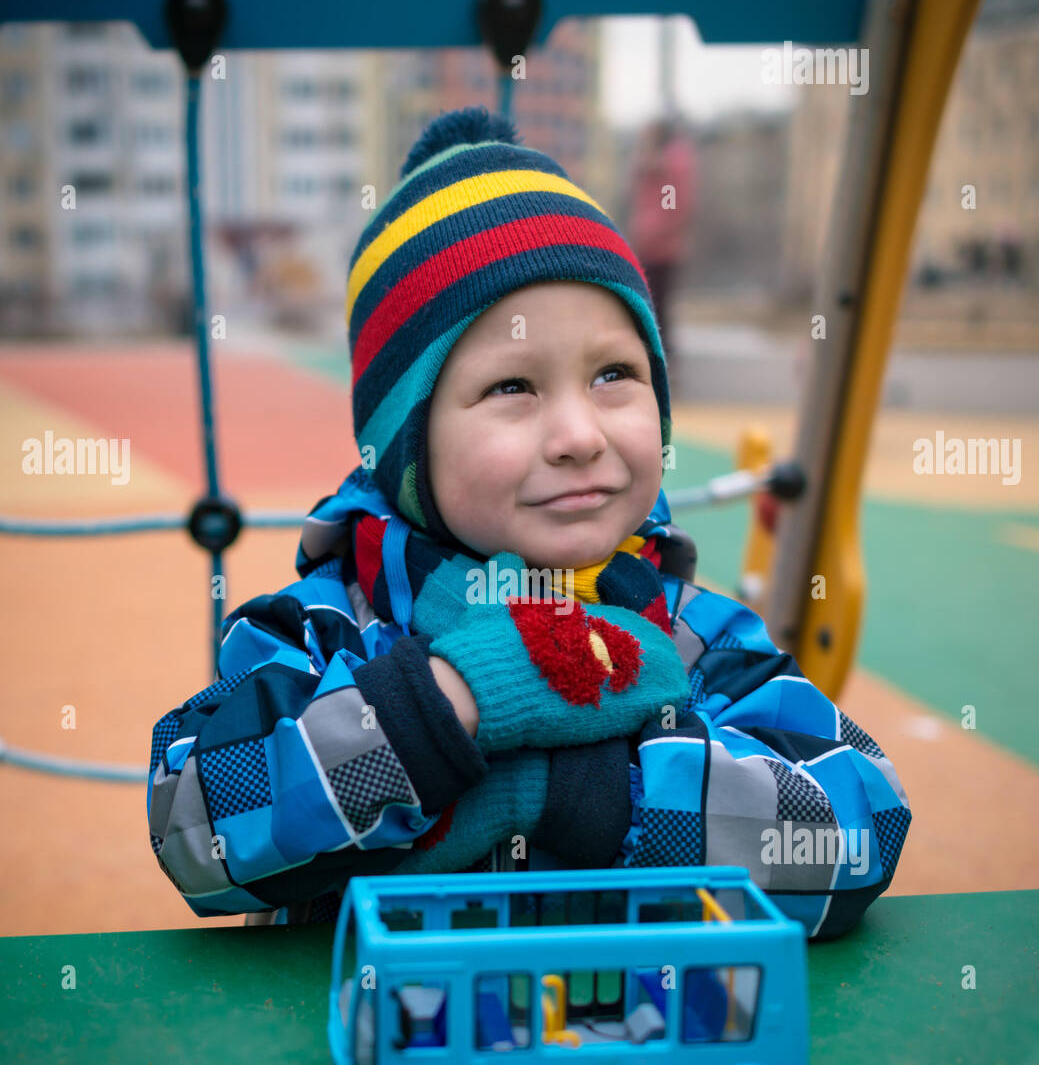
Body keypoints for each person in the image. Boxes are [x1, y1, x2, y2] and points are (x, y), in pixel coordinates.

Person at [146, 106, 910, 940]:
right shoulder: (327, 631)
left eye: (614, 374)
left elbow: (860, 824)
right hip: (387, 1055)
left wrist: (598, 794)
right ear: (405, 444)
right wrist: (443, 703)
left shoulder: (693, 636)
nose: (580, 437)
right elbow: (194, 824)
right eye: (512, 387)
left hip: (635, 1055)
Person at [626, 116, 696, 361]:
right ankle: (659, 355)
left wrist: (648, 232)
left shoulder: (673, 166)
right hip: (653, 244)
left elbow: (675, 209)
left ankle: (662, 357)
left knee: (657, 304)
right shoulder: (654, 165)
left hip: (661, 247)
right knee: (655, 304)